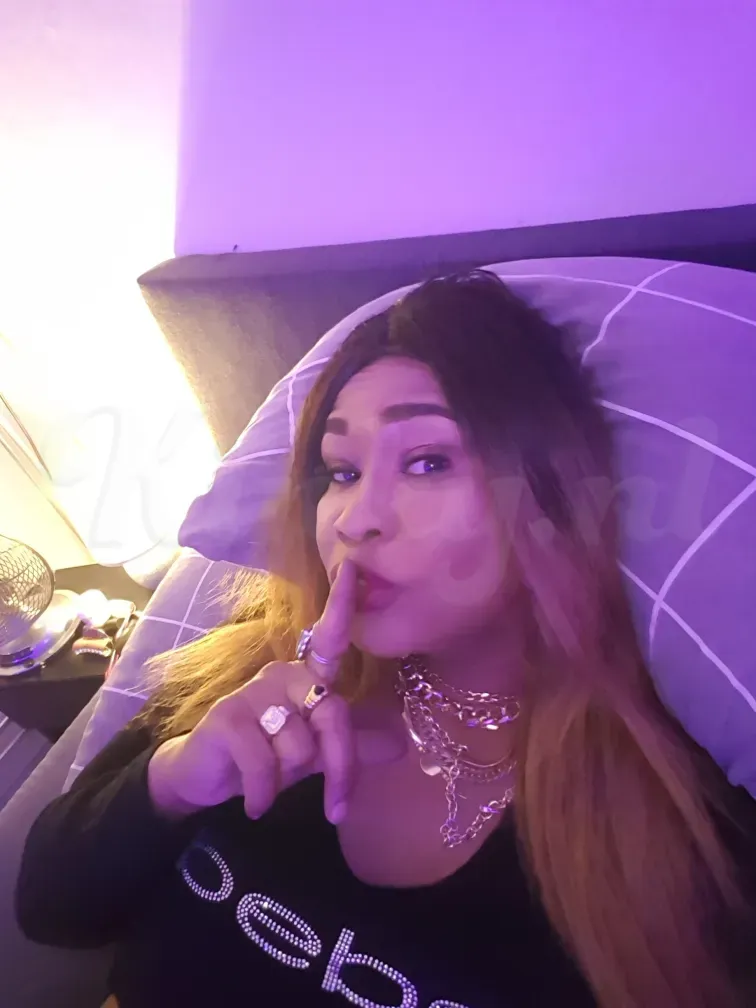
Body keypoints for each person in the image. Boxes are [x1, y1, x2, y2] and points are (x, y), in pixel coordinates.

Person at [15, 272, 756, 1008]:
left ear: (549, 494)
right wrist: (174, 780)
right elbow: (49, 909)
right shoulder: (250, 671)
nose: (354, 519)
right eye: (341, 472)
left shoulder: (667, 822)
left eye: (428, 462)